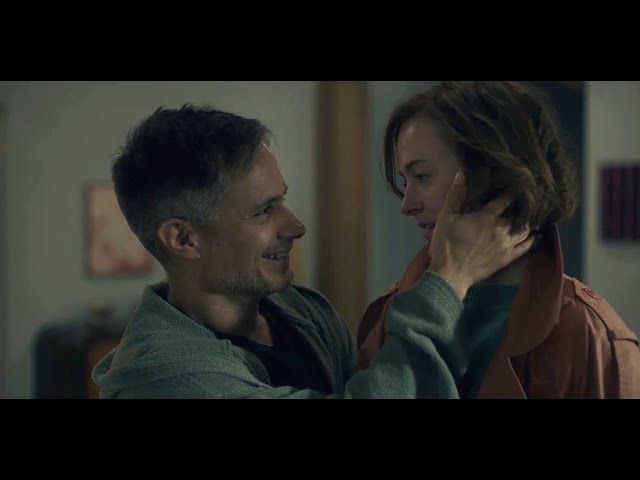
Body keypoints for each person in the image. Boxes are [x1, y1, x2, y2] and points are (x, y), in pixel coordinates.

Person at [92, 103, 535, 399]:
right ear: (183, 239)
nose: (296, 227)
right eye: (264, 211)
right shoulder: (167, 380)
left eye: (282, 200)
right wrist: (449, 279)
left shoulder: (302, 311)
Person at [357, 81, 640, 398]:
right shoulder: (387, 316)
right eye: (405, 181)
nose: (406, 205)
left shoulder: (592, 335)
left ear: (493, 172)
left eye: (422, 176)